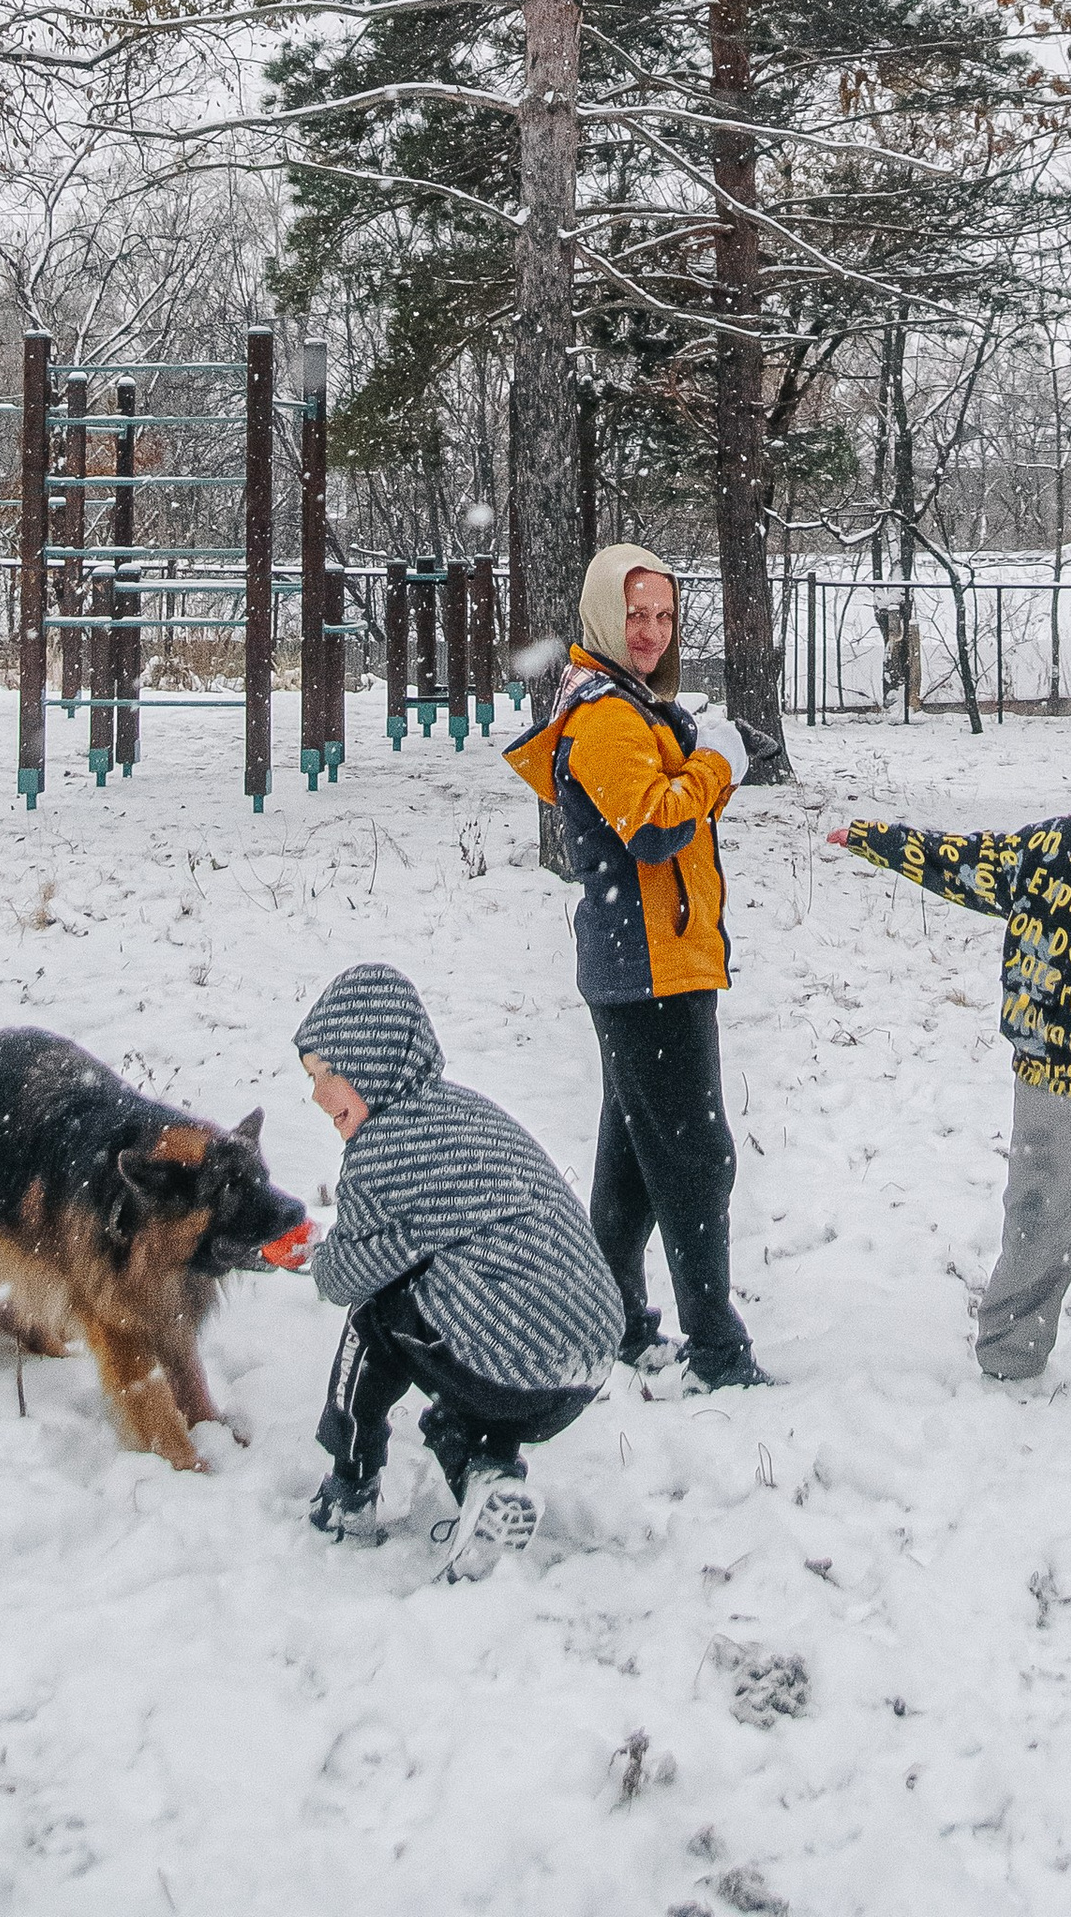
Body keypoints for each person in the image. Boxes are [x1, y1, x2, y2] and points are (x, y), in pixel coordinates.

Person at [828, 717, 1071, 1405]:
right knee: (1037, 1219)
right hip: (1051, 1084)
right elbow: (961, 858)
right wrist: (878, 840)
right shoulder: (1053, 853)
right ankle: (1011, 1355)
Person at [504, 543, 767, 1390]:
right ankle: (718, 1352)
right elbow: (655, 827)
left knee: (636, 1160)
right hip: (648, 970)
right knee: (696, 1158)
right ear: (601, 617)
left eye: (662, 616)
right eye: (635, 615)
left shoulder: (627, 702)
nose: (649, 632)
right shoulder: (606, 716)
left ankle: (610, 1317)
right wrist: (719, 758)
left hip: (654, 963)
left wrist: (699, 737)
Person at [292, 959, 622, 1579]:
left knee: (382, 1313)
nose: (317, 1094)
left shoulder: (385, 1150)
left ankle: (351, 1487)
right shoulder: (462, 1111)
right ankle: (488, 1479)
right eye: (311, 1078)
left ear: (374, 1059)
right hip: (586, 1357)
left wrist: (319, 1253)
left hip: (517, 1347)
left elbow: (345, 1280)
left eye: (330, 1072)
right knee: (453, 1342)